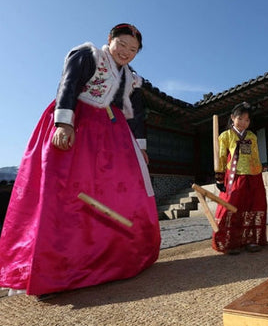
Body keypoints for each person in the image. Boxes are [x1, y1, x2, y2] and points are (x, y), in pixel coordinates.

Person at [0, 23, 161, 297]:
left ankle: (115, 259)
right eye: (121, 44)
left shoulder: (131, 78)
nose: (126, 52)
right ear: (109, 40)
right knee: (64, 193)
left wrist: (140, 147)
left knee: (116, 194)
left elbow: (136, 114)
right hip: (79, 123)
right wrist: (65, 123)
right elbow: (69, 84)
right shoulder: (88, 55)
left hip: (112, 133)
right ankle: (55, 269)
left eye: (132, 50)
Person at [213, 102, 267, 254]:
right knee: (232, 208)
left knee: (254, 207)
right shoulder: (226, 136)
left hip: (254, 176)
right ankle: (229, 242)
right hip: (235, 177)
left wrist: (258, 173)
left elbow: (255, 156)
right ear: (232, 118)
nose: (243, 123)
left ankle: (251, 240)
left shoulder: (252, 136)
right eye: (240, 119)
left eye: (247, 120)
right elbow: (222, 157)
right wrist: (219, 178)